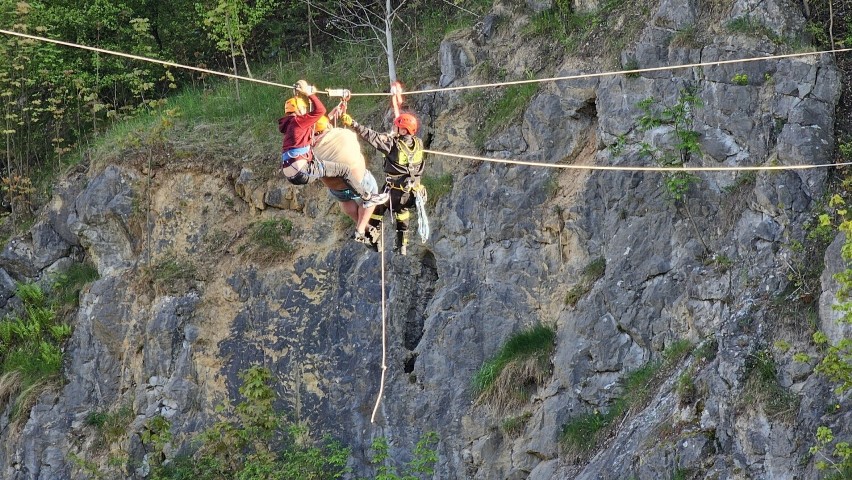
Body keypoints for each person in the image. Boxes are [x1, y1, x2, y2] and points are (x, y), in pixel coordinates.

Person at [278, 80, 388, 207]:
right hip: (302, 170)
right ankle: (367, 197)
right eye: (304, 109)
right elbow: (320, 110)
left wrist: (330, 116)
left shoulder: (290, 126)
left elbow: (314, 129)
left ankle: (364, 206)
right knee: (344, 170)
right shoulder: (298, 122)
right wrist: (309, 94)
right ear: (300, 109)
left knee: (330, 167)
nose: (305, 112)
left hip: (291, 172)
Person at [342, 111, 425, 255]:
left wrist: (353, 124)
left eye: (397, 127)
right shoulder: (418, 143)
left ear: (403, 130)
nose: (394, 128)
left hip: (394, 192)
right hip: (412, 192)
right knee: (402, 212)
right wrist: (393, 135)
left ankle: (373, 239)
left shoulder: (392, 145)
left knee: (375, 208)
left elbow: (371, 136)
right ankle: (402, 245)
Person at [311, 115, 383, 247]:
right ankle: (361, 229)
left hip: (337, 189)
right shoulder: (345, 134)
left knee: (346, 202)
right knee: (371, 196)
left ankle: (366, 227)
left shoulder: (310, 150)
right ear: (327, 127)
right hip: (359, 181)